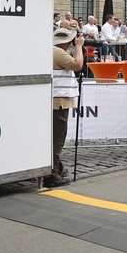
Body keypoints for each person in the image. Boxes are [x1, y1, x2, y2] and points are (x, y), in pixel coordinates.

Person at [49, 27, 85, 188]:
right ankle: (53, 174)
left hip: (57, 99)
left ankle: (57, 168)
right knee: (57, 138)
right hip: (59, 101)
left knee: (55, 136)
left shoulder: (54, 51)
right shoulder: (57, 52)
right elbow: (77, 64)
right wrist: (79, 47)